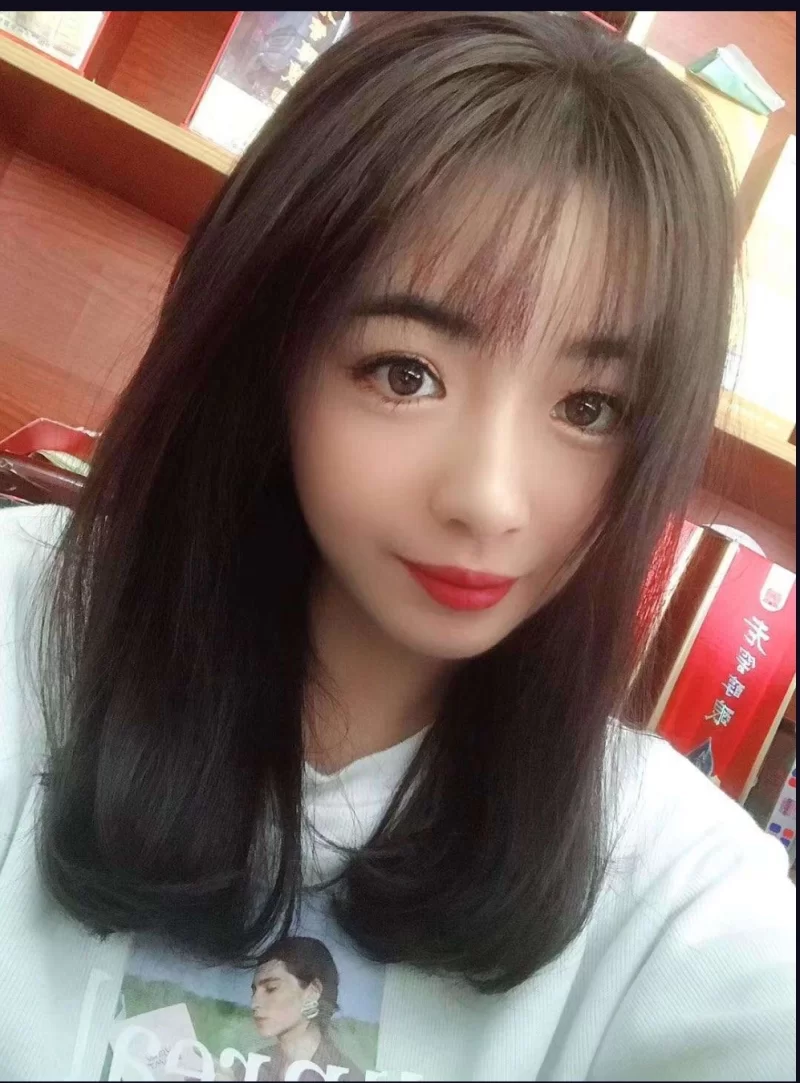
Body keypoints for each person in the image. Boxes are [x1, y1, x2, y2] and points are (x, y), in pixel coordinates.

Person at [0, 11, 794, 1082]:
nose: (488, 499)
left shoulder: (669, 887)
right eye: (405, 373)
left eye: (591, 407)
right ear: (270, 349)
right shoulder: (22, 633)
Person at [245, 937, 363, 1082]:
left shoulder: (347, 1076)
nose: (254, 1004)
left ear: (313, 992)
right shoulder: (250, 1066)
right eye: (254, 991)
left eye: (271, 988)